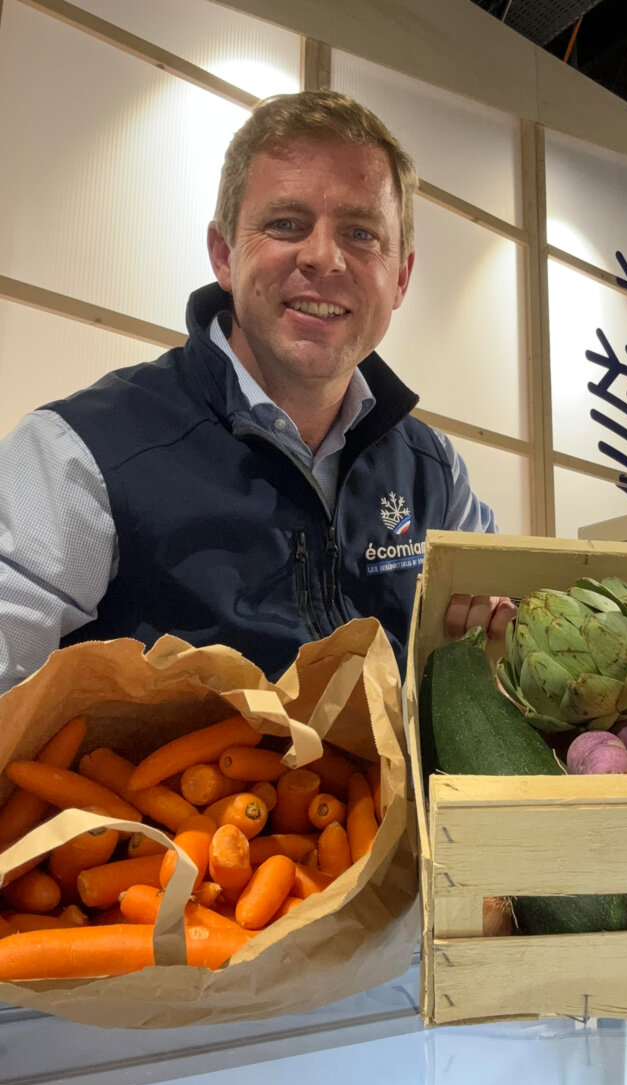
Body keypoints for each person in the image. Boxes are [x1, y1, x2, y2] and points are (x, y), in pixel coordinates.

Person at [0, 90, 514, 695]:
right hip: (175, 790)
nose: (324, 257)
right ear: (224, 254)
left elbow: (501, 626)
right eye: (286, 224)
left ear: (399, 277)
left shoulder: (435, 473)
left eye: (360, 232)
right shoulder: (78, 455)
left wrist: (501, 629)